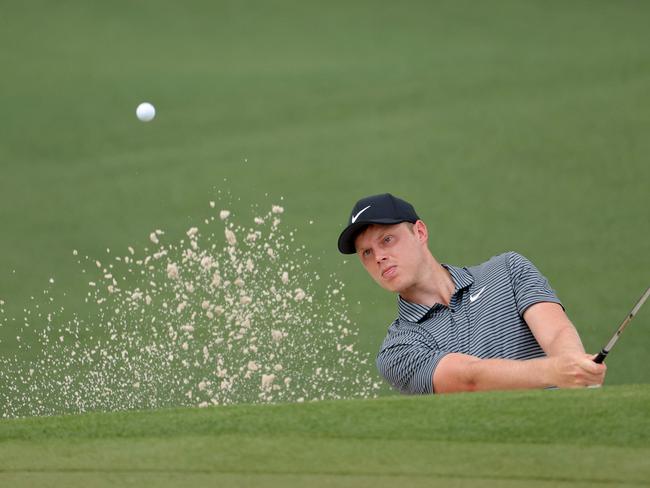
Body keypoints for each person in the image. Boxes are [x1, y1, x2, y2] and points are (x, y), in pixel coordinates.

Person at [337, 193, 607, 394]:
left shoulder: (508, 269)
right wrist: (556, 371)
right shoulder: (396, 351)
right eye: (367, 253)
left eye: (387, 239)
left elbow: (557, 332)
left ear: (419, 232)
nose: (380, 257)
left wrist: (575, 367)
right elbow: (470, 379)